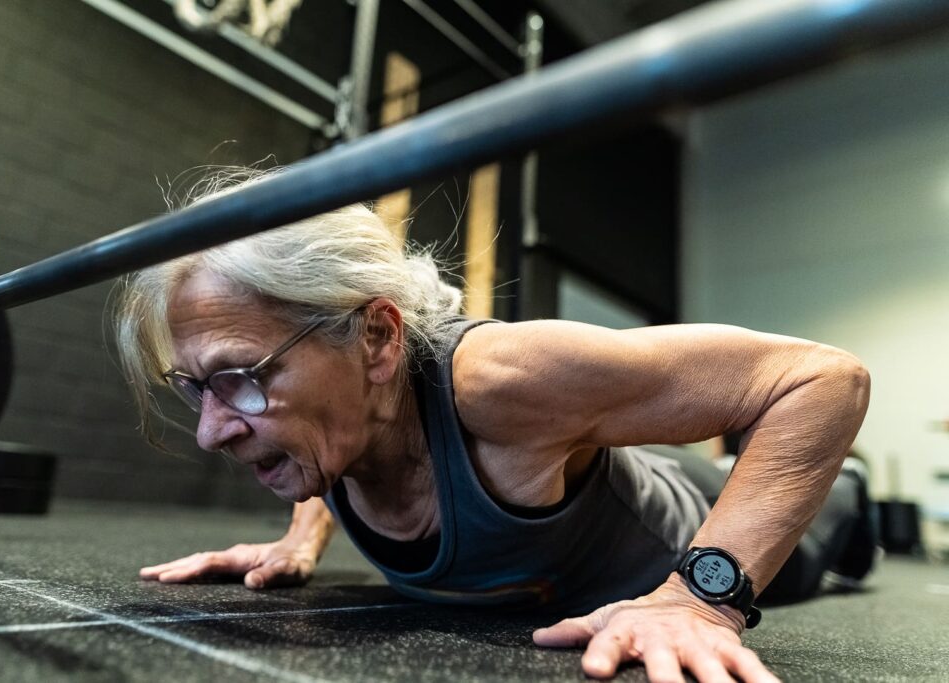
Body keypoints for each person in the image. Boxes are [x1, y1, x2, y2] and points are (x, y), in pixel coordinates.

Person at [114, 175, 873, 683]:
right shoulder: (338, 419)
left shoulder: (500, 378)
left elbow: (822, 382)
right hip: (596, 485)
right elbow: (348, 439)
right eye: (195, 387)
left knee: (835, 524)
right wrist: (299, 538)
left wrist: (699, 599)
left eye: (241, 377)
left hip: (694, 517)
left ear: (377, 339)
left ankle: (852, 496)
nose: (212, 430)